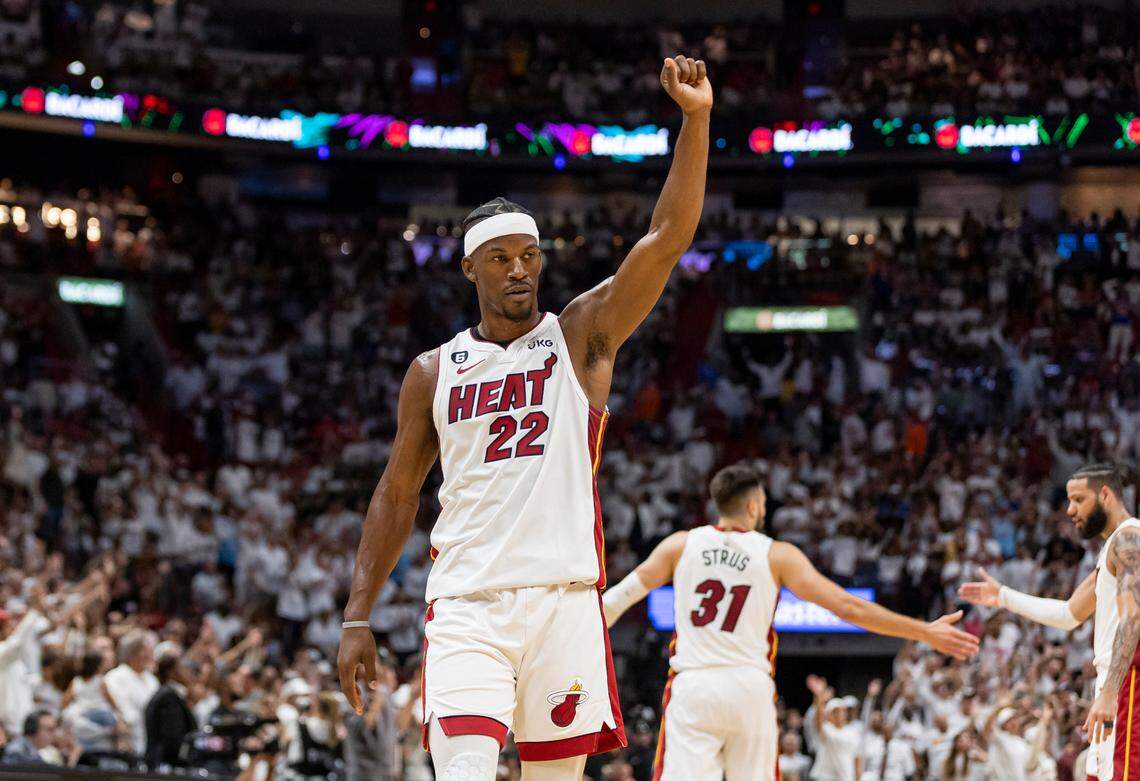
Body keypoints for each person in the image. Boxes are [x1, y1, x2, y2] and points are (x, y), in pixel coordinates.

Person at [338, 54, 714, 781]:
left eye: (531, 256)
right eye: (503, 257)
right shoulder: (432, 371)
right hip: (468, 606)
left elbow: (666, 237)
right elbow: (395, 494)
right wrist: (358, 613)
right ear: (471, 269)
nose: (520, 269)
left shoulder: (580, 337)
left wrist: (695, 120)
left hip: (564, 603)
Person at [601, 463, 978, 781]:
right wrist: (922, 630)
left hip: (695, 684)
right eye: (763, 504)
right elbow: (851, 608)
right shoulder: (776, 554)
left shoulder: (679, 545)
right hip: (749, 686)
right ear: (752, 506)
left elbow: (616, 601)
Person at [958, 462, 1137, 781]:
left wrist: (1110, 691)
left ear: (1106, 495)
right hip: (1115, 683)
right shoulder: (1113, 548)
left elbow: (1133, 615)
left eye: (1079, 499)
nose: (1070, 510)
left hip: (1127, 683)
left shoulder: (1129, 538)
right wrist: (1004, 597)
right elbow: (1069, 614)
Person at [104, 629, 159, 757]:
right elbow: (122, 712)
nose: (150, 655)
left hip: (150, 742)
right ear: (132, 653)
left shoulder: (152, 680)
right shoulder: (115, 677)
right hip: (125, 743)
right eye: (145, 650)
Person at [144, 653, 197, 769]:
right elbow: (172, 738)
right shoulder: (168, 697)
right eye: (183, 668)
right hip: (166, 766)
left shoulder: (170, 694)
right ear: (171, 672)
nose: (188, 672)